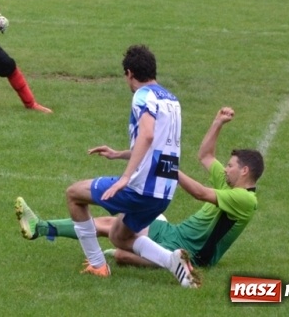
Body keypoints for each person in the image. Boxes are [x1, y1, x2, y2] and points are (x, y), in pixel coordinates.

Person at [15, 106, 264, 271]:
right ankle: (42, 228)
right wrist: (217, 122)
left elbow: (199, 193)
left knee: (118, 245)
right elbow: (206, 156)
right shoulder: (228, 184)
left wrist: (170, 169)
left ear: (244, 171)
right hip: (174, 233)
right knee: (112, 224)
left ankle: (43, 229)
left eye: (230, 166)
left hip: (192, 253)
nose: (225, 169)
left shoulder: (246, 200)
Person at [57, 44, 197, 286]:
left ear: (130, 73)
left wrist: (124, 178)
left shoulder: (142, 96)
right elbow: (158, 146)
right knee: (119, 236)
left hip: (140, 187)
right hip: (164, 191)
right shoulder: (172, 100)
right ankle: (172, 261)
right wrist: (118, 154)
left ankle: (98, 266)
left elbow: (148, 135)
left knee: (74, 194)